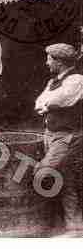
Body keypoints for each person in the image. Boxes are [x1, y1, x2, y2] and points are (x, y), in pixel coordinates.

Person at [34, 43, 83, 232]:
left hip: (67, 136)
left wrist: (48, 104)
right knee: (65, 178)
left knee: (44, 171)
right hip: (51, 134)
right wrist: (47, 104)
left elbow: (61, 99)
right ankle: (73, 222)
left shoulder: (76, 79)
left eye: (49, 59)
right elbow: (39, 102)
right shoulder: (53, 81)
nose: (47, 63)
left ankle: (51, 217)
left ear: (60, 62)